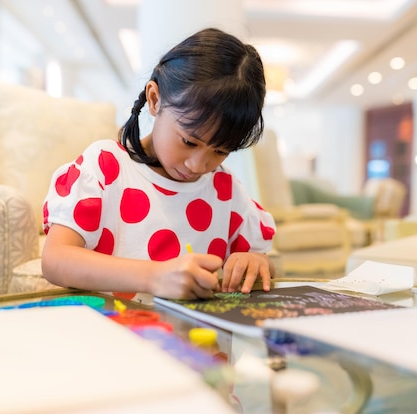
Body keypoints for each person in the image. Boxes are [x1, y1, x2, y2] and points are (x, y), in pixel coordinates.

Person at [41, 27, 276, 300]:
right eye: (189, 141)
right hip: (112, 333)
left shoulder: (226, 191)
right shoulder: (106, 167)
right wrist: (155, 276)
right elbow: (55, 260)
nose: (198, 165)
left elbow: (263, 260)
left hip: (193, 339)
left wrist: (257, 262)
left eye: (221, 151)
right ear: (154, 99)